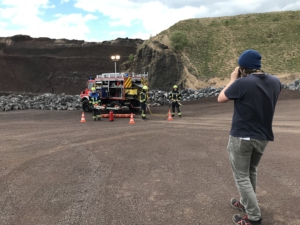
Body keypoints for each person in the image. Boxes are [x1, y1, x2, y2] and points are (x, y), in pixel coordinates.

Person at [217, 49, 281, 225]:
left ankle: (253, 217)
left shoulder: (242, 83)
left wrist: (232, 80)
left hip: (242, 137)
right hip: (263, 137)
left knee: (242, 176)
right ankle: (246, 204)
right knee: (251, 171)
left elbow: (221, 98)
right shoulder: (276, 82)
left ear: (243, 67)